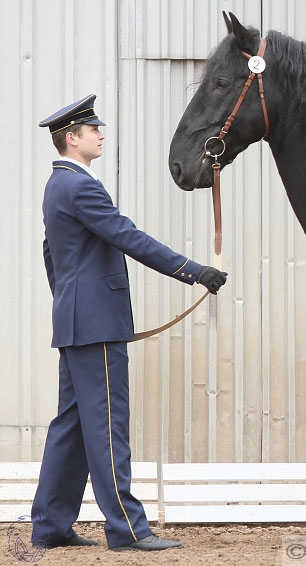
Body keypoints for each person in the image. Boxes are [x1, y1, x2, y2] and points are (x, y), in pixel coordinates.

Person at [31, 94, 227, 552]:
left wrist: (67, 303)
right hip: (96, 325)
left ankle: (51, 525)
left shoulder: (57, 185)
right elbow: (127, 236)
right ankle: (128, 529)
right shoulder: (81, 186)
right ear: (71, 138)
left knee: (73, 425)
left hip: (78, 321)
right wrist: (193, 271)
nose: (101, 134)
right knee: (106, 425)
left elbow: (50, 254)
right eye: (93, 129)